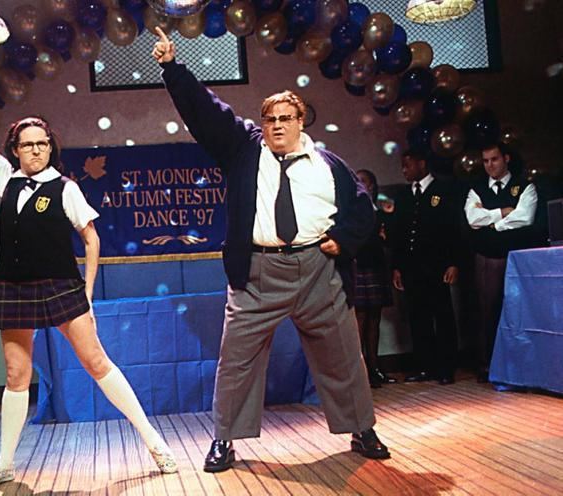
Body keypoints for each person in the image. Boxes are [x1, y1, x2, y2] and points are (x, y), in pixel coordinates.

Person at [152, 28, 389, 473]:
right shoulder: (244, 150)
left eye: (285, 117)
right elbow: (206, 112)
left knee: (343, 353)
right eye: (270, 119)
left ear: (301, 122)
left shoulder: (329, 165)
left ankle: (362, 427)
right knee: (236, 360)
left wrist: (343, 238)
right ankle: (225, 440)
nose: (277, 125)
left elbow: (363, 211)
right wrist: (172, 68)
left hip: (317, 269)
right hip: (258, 273)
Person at [0, 67, 176, 492]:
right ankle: (4, 464)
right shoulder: (6, 180)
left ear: (49, 148)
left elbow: (91, 240)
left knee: (97, 363)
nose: (36, 150)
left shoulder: (66, 187)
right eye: (28, 145)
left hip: (62, 287)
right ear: (17, 150)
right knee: (16, 375)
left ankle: (155, 443)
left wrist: (88, 293)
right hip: (14, 288)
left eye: (42, 144)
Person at [464, 142, 538, 383]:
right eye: (485, 161)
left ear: (505, 158)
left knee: (519, 310)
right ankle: (488, 364)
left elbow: (525, 217)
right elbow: (473, 219)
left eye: (494, 160)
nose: (489, 166)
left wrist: (493, 222)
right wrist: (503, 212)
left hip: (518, 257)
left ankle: (521, 365)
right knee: (488, 312)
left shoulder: (524, 186)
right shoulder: (476, 189)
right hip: (487, 257)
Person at [391, 151, 460, 385]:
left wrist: (453, 262)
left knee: (442, 317)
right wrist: (397, 267)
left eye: (407, 165)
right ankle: (425, 366)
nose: (404, 170)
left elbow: (453, 229)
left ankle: (446, 367)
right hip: (412, 268)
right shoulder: (404, 195)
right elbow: (399, 233)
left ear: (422, 163)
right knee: (417, 318)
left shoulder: (443, 190)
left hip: (437, 266)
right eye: (402, 167)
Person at [354, 169, 397, 388]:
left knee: (375, 319)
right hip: (358, 267)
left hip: (376, 266)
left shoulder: (380, 211)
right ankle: (361, 372)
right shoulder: (352, 210)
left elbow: (388, 239)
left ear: (371, 186)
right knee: (360, 319)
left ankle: (375, 368)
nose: (359, 184)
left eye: (363, 181)